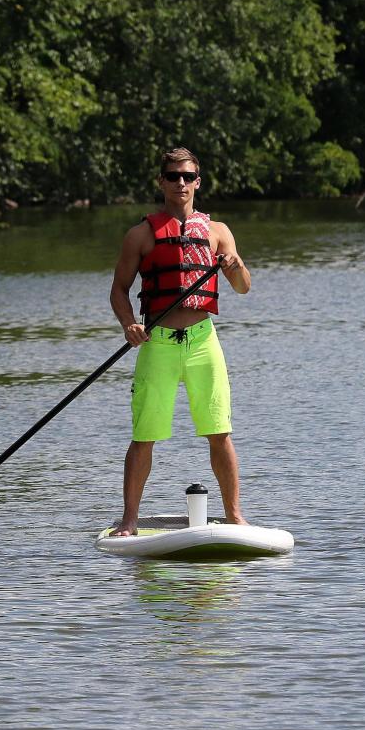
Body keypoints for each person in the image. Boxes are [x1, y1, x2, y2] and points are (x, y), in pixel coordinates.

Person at [109, 147, 251, 536]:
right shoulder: (140, 234)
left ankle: (235, 516)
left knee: (219, 432)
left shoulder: (218, 232)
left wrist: (234, 264)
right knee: (144, 435)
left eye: (188, 176)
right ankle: (129, 520)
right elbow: (119, 291)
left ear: (198, 182)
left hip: (204, 342)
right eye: (173, 176)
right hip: (159, 344)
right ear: (162, 182)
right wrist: (128, 325)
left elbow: (242, 287)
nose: (181, 183)